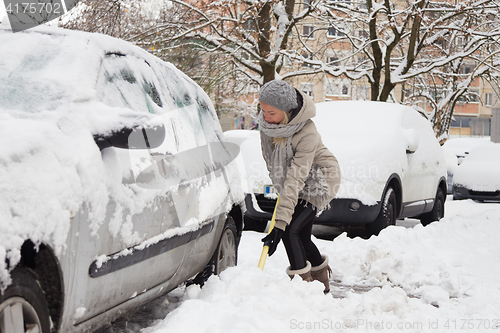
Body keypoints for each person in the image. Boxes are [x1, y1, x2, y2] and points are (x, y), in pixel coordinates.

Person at [259, 80, 341, 294]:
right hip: (294, 179)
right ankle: (321, 280)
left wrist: (279, 224)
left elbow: (296, 178)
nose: (266, 117)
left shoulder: (306, 133)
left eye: (272, 113)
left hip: (319, 178)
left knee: (290, 230)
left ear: (287, 112)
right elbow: (273, 164)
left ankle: (302, 289)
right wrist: (283, 198)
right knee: (301, 235)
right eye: (263, 110)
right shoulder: (267, 126)